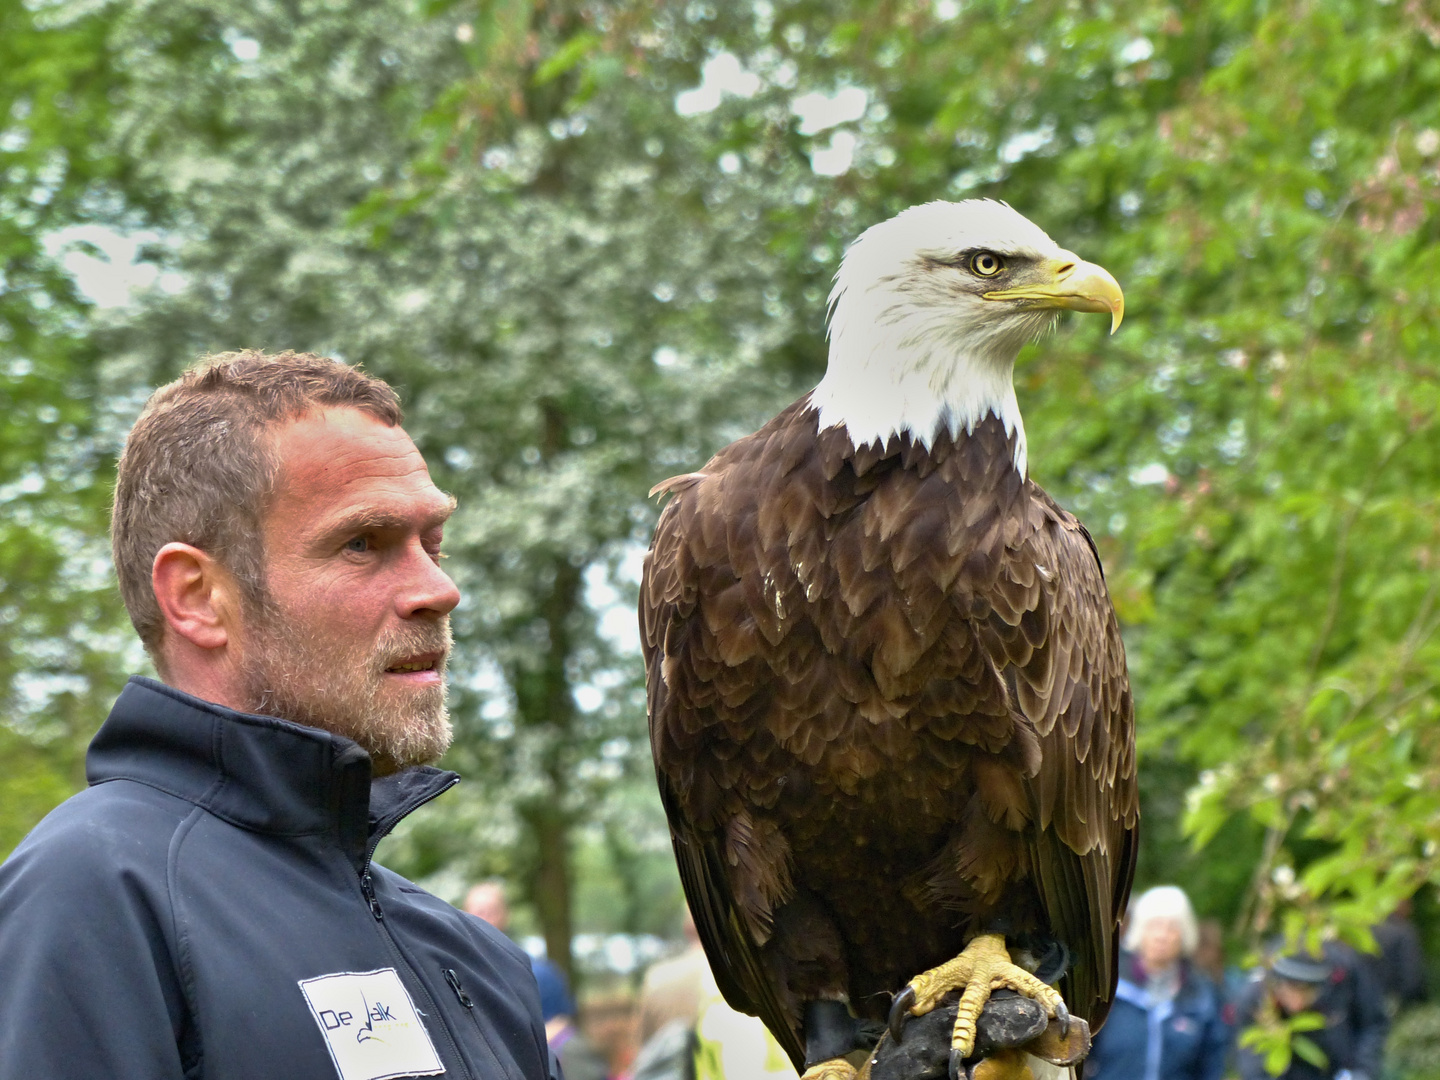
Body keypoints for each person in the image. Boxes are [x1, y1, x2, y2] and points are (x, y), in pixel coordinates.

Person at [0, 352, 558, 1079]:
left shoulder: (477, 958)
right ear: (198, 597)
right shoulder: (93, 894)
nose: (439, 589)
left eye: (433, 542)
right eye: (364, 543)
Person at [466, 879, 610, 1080]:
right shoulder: (454, 975)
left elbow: (560, 1030)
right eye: (479, 911)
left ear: (506, 914)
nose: (485, 918)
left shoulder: (540, 973)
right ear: (463, 914)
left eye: (492, 911)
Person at [1084, 885, 1230, 1080]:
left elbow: (1212, 1065)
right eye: (1154, 925)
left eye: (1172, 928)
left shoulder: (1202, 997)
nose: (1162, 936)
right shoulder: (1109, 988)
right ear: (1139, 931)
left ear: (1184, 934)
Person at [1235, 942, 1389, 1080]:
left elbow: (1373, 1022)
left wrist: (1361, 1071)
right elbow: (1250, 1060)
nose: (1297, 1004)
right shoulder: (1256, 999)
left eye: (1306, 992)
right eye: (1289, 991)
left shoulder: (1345, 972)